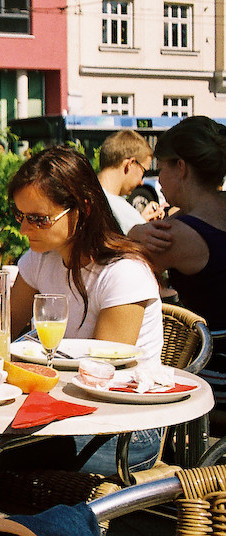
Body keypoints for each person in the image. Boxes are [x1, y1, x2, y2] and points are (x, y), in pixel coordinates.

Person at [8, 145, 164, 474]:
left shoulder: (123, 273)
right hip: (64, 409)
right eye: (19, 216)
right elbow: (3, 328)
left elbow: (102, 376)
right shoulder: (41, 258)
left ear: (83, 209)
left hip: (127, 428)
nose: (24, 230)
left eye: (38, 219)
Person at [127, 116, 226, 430]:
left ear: (181, 167)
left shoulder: (176, 234)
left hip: (216, 373)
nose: (158, 180)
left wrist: (132, 234)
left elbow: (105, 262)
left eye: (161, 167)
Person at [97, 129, 163, 234]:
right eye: (143, 171)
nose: (141, 182)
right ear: (130, 164)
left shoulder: (84, 196)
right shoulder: (121, 211)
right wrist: (138, 223)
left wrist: (140, 220)